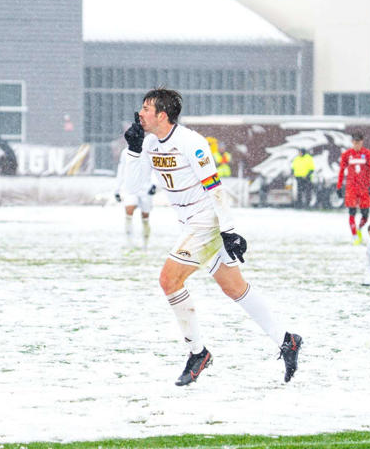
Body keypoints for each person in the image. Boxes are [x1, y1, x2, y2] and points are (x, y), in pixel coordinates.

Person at [123, 88, 303, 386]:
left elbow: (214, 187)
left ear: (162, 115)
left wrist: (229, 230)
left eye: (145, 108)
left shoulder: (191, 142)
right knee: (235, 288)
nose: (139, 113)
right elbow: (136, 185)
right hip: (190, 224)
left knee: (169, 280)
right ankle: (288, 340)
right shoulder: (149, 142)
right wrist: (133, 150)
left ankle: (198, 353)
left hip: (206, 222)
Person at [336, 132, 370, 245]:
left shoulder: (367, 154)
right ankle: (355, 237)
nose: (356, 144)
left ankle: (359, 229)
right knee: (352, 212)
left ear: (362, 142)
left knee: (365, 215)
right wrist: (339, 186)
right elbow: (341, 171)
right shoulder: (347, 154)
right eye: (355, 142)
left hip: (364, 188)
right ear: (352, 142)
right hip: (351, 188)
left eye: (358, 142)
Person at [114, 150, 156, 249]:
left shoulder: (149, 150)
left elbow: (155, 168)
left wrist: (154, 184)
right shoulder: (125, 152)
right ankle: (129, 242)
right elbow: (121, 170)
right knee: (129, 211)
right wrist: (117, 189)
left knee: (145, 217)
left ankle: (145, 243)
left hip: (146, 188)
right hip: (130, 188)